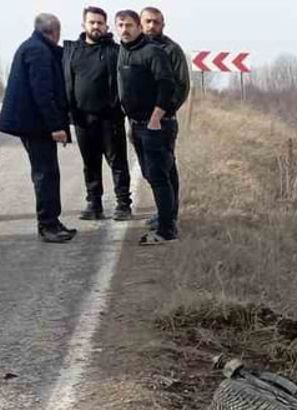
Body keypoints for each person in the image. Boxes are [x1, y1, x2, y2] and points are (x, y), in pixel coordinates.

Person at [0, 14, 77, 244]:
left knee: (48, 172)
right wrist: (56, 126)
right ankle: (48, 225)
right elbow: (43, 92)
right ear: (55, 31)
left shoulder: (34, 47)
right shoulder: (38, 51)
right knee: (46, 173)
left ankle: (52, 220)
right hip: (35, 125)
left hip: (34, 124)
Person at [63, 6, 132, 221]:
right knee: (90, 163)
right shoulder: (71, 51)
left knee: (118, 163)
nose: (96, 26)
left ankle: (123, 205)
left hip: (110, 118)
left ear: (106, 26)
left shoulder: (115, 51)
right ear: (84, 25)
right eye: (92, 22)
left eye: (100, 23)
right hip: (83, 118)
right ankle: (94, 204)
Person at [115, 10, 178, 245]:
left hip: (156, 126)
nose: (125, 29)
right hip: (137, 125)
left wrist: (155, 119)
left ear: (139, 27)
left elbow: (167, 85)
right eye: (120, 25)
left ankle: (166, 231)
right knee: (152, 175)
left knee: (160, 177)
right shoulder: (122, 51)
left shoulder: (153, 52)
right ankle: (165, 223)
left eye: (129, 25)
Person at [138, 6, 188, 231]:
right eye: (147, 21)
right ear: (140, 23)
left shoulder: (172, 50)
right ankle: (163, 211)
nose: (151, 26)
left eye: (156, 22)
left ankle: (170, 215)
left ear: (163, 25)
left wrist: (164, 112)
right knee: (150, 170)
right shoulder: (134, 49)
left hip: (164, 122)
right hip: (139, 122)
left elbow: (181, 85)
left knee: (165, 167)